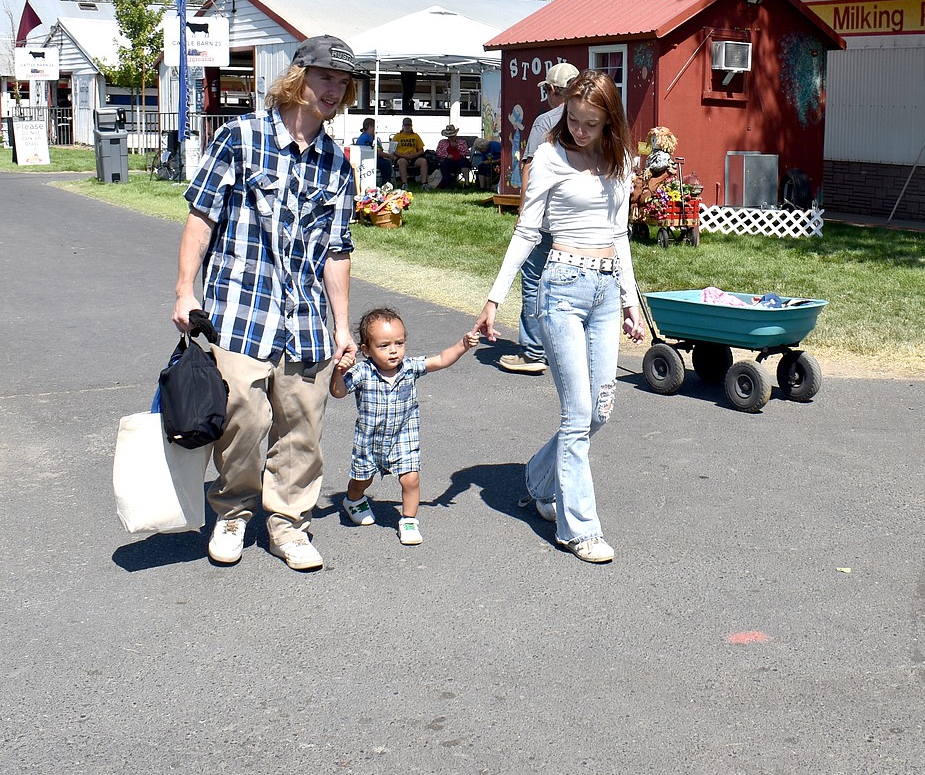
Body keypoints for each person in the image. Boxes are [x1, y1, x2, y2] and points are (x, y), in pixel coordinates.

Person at [172, 34, 359, 572]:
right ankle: (232, 512)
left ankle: (288, 523)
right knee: (243, 421)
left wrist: (342, 326)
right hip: (241, 310)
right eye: (325, 77)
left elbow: (338, 250)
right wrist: (186, 290)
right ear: (298, 76)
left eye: (342, 83)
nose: (333, 90)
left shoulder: (337, 165)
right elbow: (201, 217)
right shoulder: (239, 138)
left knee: (303, 428)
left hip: (305, 321)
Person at [474, 70, 645, 565]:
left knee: (600, 411)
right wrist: (493, 299)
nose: (580, 131)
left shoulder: (620, 162)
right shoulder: (550, 156)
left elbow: (620, 238)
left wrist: (631, 302)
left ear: (609, 122)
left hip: (606, 292)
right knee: (576, 415)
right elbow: (527, 232)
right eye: (573, 119)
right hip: (562, 290)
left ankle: (536, 478)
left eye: (591, 123)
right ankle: (579, 529)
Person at [331, 306, 479, 545]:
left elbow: (441, 360)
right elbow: (338, 392)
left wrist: (463, 344)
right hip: (369, 440)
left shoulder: (409, 368)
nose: (393, 351)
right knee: (362, 479)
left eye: (399, 343)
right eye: (384, 345)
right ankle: (353, 500)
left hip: (403, 437)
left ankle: (409, 519)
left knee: (411, 479)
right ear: (366, 350)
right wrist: (339, 372)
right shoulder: (362, 372)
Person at [498, 62, 579, 375]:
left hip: (546, 217)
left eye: (547, 89)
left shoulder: (546, 121)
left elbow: (529, 167)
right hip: (580, 222)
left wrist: (523, 212)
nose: (545, 94)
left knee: (534, 279)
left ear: (554, 90)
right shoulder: (595, 119)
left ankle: (534, 351)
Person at [353, 116, 393, 185]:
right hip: (367, 160)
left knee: (385, 162)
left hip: (372, 158)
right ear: (370, 127)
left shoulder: (372, 137)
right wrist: (388, 155)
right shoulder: (365, 138)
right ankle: (386, 184)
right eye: (374, 127)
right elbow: (375, 152)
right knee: (386, 163)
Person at [431, 124, 472, 189]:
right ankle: (448, 184)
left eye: (452, 136)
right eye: (449, 137)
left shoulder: (461, 142)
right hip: (448, 161)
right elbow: (438, 153)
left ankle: (467, 184)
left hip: (460, 160)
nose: (451, 138)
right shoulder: (442, 142)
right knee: (444, 164)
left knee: (465, 163)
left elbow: (467, 152)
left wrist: (458, 147)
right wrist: (447, 155)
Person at [391, 116, 428, 187]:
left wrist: (415, 155)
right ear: (403, 126)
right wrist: (404, 155)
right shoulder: (397, 136)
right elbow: (393, 150)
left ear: (411, 126)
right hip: (402, 157)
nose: (407, 127)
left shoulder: (415, 136)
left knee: (423, 161)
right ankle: (405, 183)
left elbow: (421, 150)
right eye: (406, 125)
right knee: (402, 162)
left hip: (413, 157)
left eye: (409, 125)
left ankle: (424, 183)